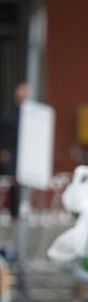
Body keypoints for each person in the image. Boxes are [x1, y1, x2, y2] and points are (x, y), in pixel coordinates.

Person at [0, 82, 30, 222]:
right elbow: (4, 135)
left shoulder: (33, 116)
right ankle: (15, 214)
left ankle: (24, 210)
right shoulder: (9, 116)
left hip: (27, 154)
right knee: (15, 185)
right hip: (14, 155)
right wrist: (4, 151)